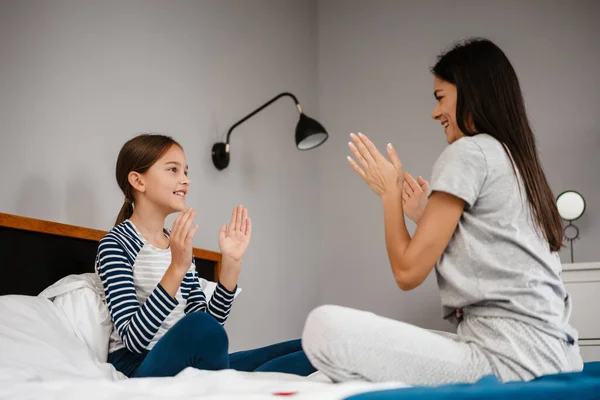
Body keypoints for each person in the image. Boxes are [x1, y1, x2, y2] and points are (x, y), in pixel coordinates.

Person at [301, 37, 583, 386]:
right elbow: (499, 251)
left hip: (509, 355)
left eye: (440, 98)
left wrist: (389, 194)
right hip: (555, 355)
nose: (435, 112)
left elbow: (407, 272)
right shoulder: (516, 161)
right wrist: (425, 219)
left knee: (322, 328)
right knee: (318, 375)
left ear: (471, 94)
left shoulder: (469, 152)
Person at [96, 133, 315, 378]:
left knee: (311, 349)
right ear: (138, 180)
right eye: (173, 170)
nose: (185, 180)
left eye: (186, 172)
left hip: (188, 364)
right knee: (199, 327)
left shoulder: (177, 245)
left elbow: (211, 324)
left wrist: (231, 265)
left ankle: (237, 386)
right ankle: (227, 386)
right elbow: (133, 338)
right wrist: (176, 269)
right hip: (138, 366)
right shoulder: (115, 245)